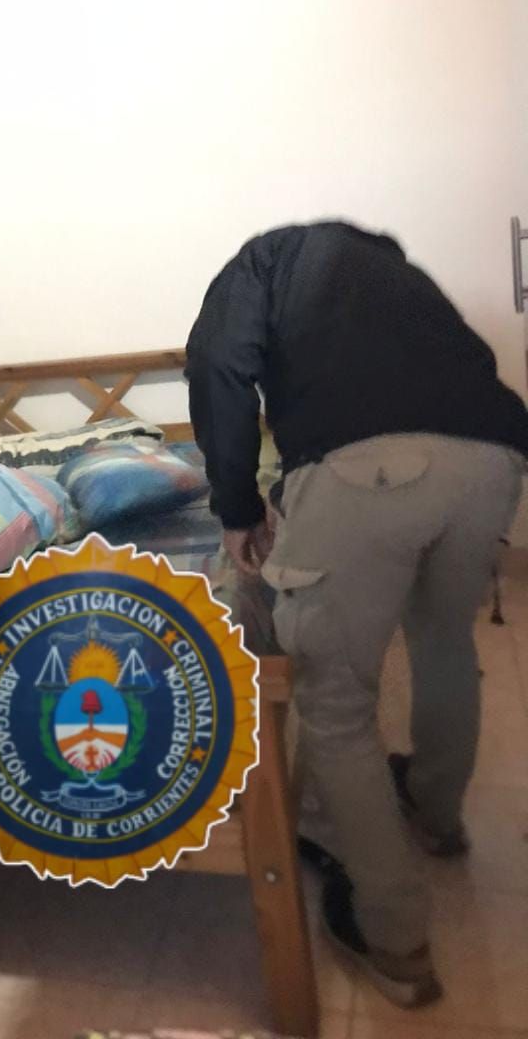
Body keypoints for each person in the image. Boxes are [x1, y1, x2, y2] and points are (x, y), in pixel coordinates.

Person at [186, 220, 528, 1008]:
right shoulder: (400, 278)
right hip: (495, 459)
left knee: (335, 709)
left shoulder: (265, 261)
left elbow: (218, 365)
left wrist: (237, 507)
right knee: (444, 642)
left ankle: (394, 937)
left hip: (368, 468)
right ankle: (436, 815)